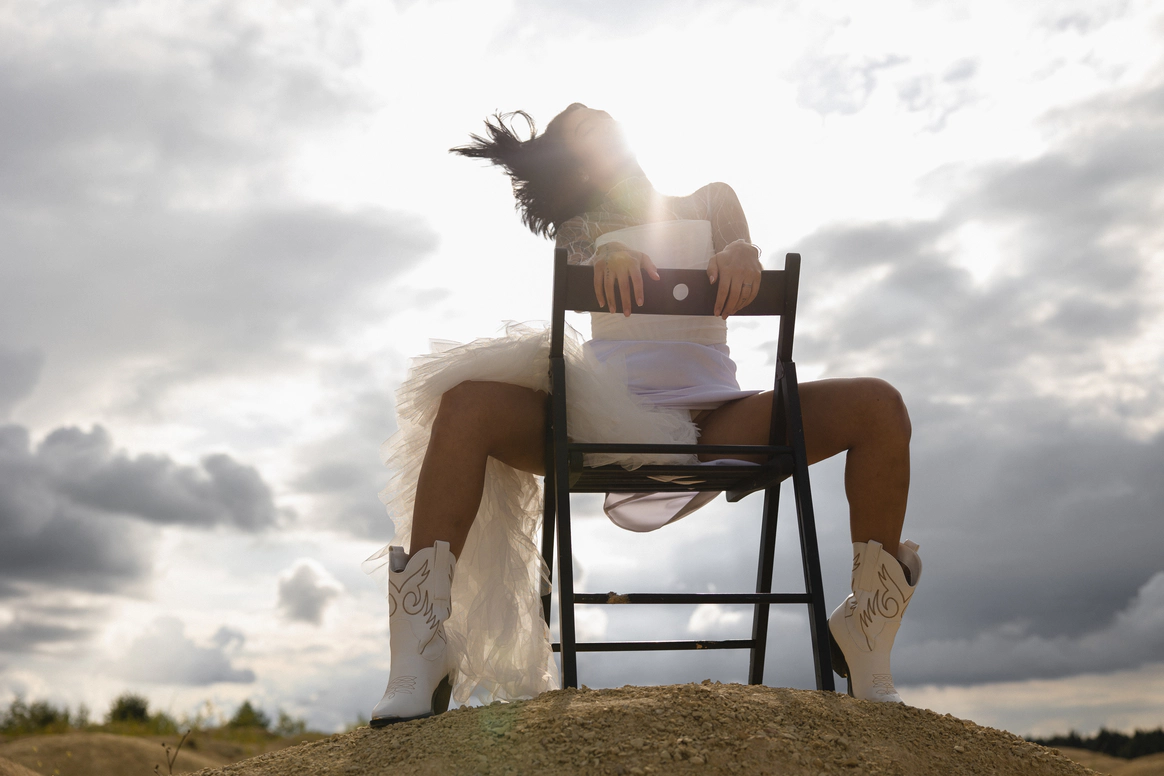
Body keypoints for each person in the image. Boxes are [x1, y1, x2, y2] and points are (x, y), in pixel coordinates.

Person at [363, 103, 922, 726]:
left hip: (718, 419)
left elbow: (739, 241)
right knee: (465, 403)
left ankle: (865, 629)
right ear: (576, 165)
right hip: (603, 419)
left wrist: (743, 253)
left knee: (880, 405)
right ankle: (420, 650)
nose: (603, 124)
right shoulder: (579, 226)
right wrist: (605, 255)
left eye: (604, 116)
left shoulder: (712, 199)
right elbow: (580, 251)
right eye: (584, 128)